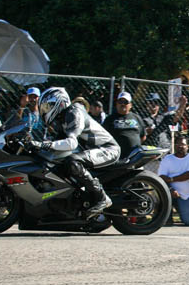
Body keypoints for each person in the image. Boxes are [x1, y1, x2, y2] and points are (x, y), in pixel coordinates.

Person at [27, 87, 120, 218]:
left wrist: (43, 144)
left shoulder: (74, 113)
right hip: (91, 150)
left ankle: (101, 197)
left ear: (59, 103)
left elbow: (71, 143)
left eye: (48, 107)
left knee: (73, 162)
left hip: (107, 149)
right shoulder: (62, 119)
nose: (45, 111)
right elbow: (57, 143)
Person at [158, 136, 189, 225]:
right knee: (163, 192)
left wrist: (171, 179)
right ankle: (167, 218)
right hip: (170, 194)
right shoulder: (167, 158)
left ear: (187, 146)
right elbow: (161, 176)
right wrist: (171, 189)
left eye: (183, 144)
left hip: (187, 196)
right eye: (177, 144)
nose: (180, 146)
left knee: (188, 221)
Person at [103, 91, 147, 158]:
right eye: (120, 102)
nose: (122, 104)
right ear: (116, 104)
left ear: (130, 105)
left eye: (126, 102)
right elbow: (103, 137)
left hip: (135, 156)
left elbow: (143, 136)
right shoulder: (110, 119)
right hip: (118, 157)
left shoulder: (136, 117)